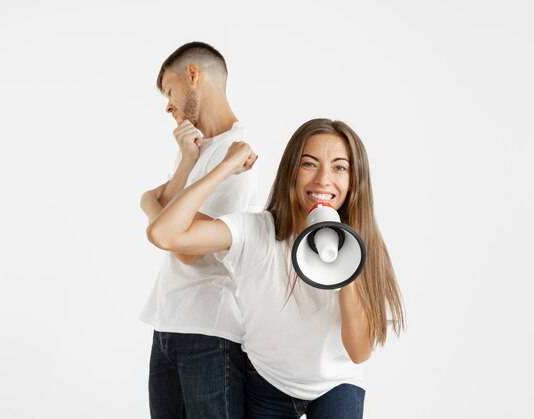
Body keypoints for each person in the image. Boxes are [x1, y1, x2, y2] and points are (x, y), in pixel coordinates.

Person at [147, 118, 405, 418]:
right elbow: (164, 234)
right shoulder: (255, 232)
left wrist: (346, 263)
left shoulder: (361, 247)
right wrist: (226, 168)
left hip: (335, 384)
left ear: (354, 180)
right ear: (291, 171)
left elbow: (359, 352)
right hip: (268, 381)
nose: (323, 179)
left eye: (339, 167)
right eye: (309, 164)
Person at [139, 42, 260, 419]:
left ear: (193, 75)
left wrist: (155, 204)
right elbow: (152, 207)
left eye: (169, 90)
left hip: (211, 334)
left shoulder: (241, 156)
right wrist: (187, 161)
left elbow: (186, 248)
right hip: (166, 325)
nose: (167, 105)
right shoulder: (193, 147)